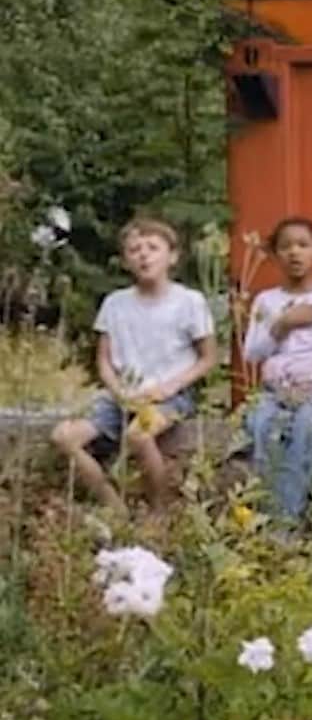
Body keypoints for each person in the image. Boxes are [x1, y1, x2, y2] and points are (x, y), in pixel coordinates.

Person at [51, 216, 217, 513]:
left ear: (172, 256)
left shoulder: (189, 302)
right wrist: (118, 392)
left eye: (153, 248)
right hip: (121, 395)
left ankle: (159, 511)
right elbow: (103, 359)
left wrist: (168, 387)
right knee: (64, 436)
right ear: (126, 261)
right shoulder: (115, 303)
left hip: (169, 396)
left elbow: (207, 358)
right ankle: (114, 506)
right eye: (134, 249)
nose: (143, 255)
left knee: (138, 435)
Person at [241, 217, 312, 524]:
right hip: (275, 390)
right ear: (275, 254)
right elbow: (252, 353)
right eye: (285, 246)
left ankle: (281, 522)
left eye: (303, 245)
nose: (294, 253)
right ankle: (273, 515)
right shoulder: (267, 300)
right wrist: (284, 323)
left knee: (307, 427)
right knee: (261, 425)